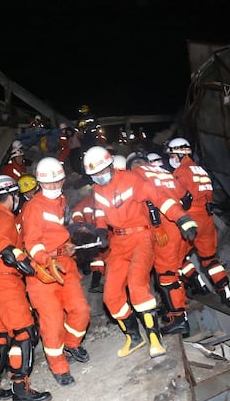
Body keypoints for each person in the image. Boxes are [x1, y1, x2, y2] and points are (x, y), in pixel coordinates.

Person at [82, 146, 197, 358]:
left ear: (110, 166)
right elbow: (100, 214)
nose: (98, 177)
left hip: (141, 238)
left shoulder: (131, 179)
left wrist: (182, 218)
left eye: (101, 172)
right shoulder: (97, 190)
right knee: (111, 296)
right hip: (118, 242)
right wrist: (100, 231)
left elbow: (160, 197)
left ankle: (155, 339)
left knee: (137, 285)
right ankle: (134, 338)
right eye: (94, 175)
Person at [0, 175, 52, 401]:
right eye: (16, 196)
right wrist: (31, 268)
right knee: (24, 333)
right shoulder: (5, 218)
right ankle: (21, 388)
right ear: (11, 196)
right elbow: (8, 251)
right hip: (6, 283)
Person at [21, 157, 92, 386]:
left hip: (65, 263)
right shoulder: (33, 207)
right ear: (40, 183)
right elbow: (31, 241)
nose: (52, 187)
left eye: (56, 182)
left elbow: (59, 230)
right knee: (52, 321)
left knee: (80, 310)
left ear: (62, 179)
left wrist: (69, 244)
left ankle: (72, 344)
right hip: (43, 270)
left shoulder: (62, 201)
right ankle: (58, 366)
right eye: (48, 183)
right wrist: (44, 259)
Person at [166, 137, 230, 307]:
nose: (171, 159)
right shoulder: (201, 171)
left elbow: (181, 200)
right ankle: (227, 293)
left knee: (176, 257)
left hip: (191, 220)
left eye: (172, 155)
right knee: (210, 260)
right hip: (207, 219)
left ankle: (196, 283)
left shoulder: (181, 173)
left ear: (179, 153)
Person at [127, 153, 191, 335]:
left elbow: (149, 201)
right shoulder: (163, 173)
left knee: (166, 275)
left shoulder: (136, 174)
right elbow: (187, 198)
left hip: (163, 228)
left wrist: (156, 224)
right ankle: (173, 311)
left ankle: (179, 318)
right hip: (178, 225)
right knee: (174, 271)